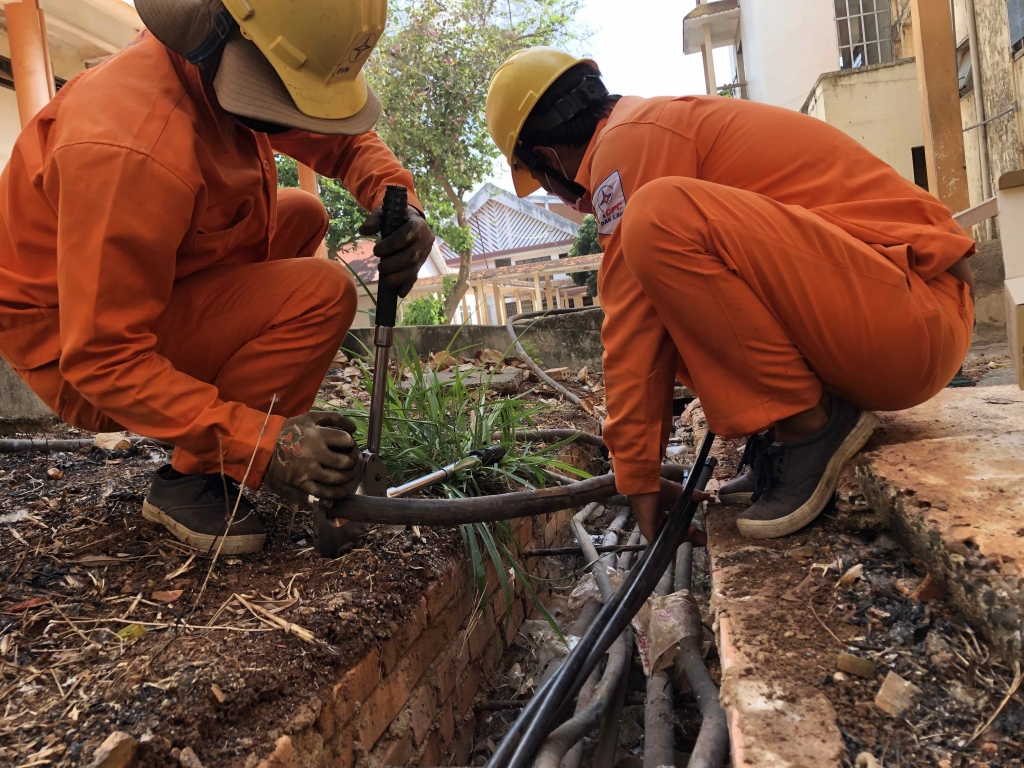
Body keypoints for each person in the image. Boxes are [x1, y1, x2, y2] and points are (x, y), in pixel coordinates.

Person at [485, 48, 974, 542]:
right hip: (892, 312)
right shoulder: (648, 128)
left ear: (547, 159)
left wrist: (636, 477)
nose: (571, 201)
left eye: (549, 187)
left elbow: (630, 326)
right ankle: (790, 428)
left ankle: (809, 426)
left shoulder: (628, 142)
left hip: (912, 316)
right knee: (669, 299)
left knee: (656, 219)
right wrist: (641, 469)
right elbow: (663, 320)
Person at [0, 0, 435, 554]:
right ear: (234, 56)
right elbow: (102, 357)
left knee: (304, 212)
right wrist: (260, 441)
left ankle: (228, 434)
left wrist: (401, 201)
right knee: (322, 294)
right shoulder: (131, 148)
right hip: (69, 346)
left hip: (141, 287)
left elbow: (336, 136)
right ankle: (194, 482)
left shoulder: (211, 60)